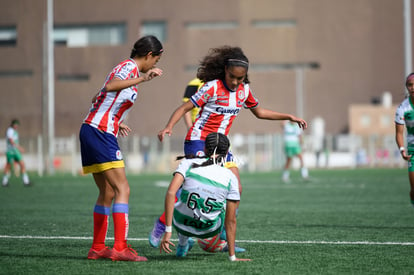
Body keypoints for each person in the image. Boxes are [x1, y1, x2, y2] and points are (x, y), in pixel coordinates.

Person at [150, 45, 307, 248]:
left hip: (221, 145)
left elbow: (260, 112)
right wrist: (168, 127)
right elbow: (184, 107)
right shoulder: (211, 87)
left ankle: (223, 238)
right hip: (198, 140)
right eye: (232, 77)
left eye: (239, 79)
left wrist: (289, 116)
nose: (235, 82)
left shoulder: (244, 91)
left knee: (237, 187)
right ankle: (163, 225)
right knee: (193, 184)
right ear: (225, 70)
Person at [79, 35, 163, 261]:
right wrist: (144, 79)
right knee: (123, 189)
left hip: (93, 128)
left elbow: (99, 96)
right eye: (155, 59)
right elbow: (110, 86)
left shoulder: (128, 70)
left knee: (107, 191)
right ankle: (120, 248)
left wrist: (116, 119)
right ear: (148, 55)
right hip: (99, 132)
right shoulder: (128, 67)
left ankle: (97, 248)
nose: (155, 64)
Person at [160, 132, 251, 262]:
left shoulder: (188, 163)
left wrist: (168, 230)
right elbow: (231, 221)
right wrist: (232, 257)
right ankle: (221, 237)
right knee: (227, 205)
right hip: (209, 230)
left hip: (179, 223)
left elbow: (170, 193)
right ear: (226, 154)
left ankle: (182, 243)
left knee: (182, 197)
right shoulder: (230, 177)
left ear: (204, 149)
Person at [395, 72, 414, 207]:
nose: (413, 87)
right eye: (410, 85)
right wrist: (402, 150)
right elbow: (399, 133)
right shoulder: (403, 108)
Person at [2, 119, 31, 187]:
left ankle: (26, 181)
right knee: (8, 166)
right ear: (12, 124)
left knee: (22, 164)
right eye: (15, 124)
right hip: (11, 151)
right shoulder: (10, 130)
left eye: (17, 125)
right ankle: (4, 181)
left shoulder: (14, 131)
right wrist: (19, 147)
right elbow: (11, 140)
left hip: (15, 151)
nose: (16, 126)